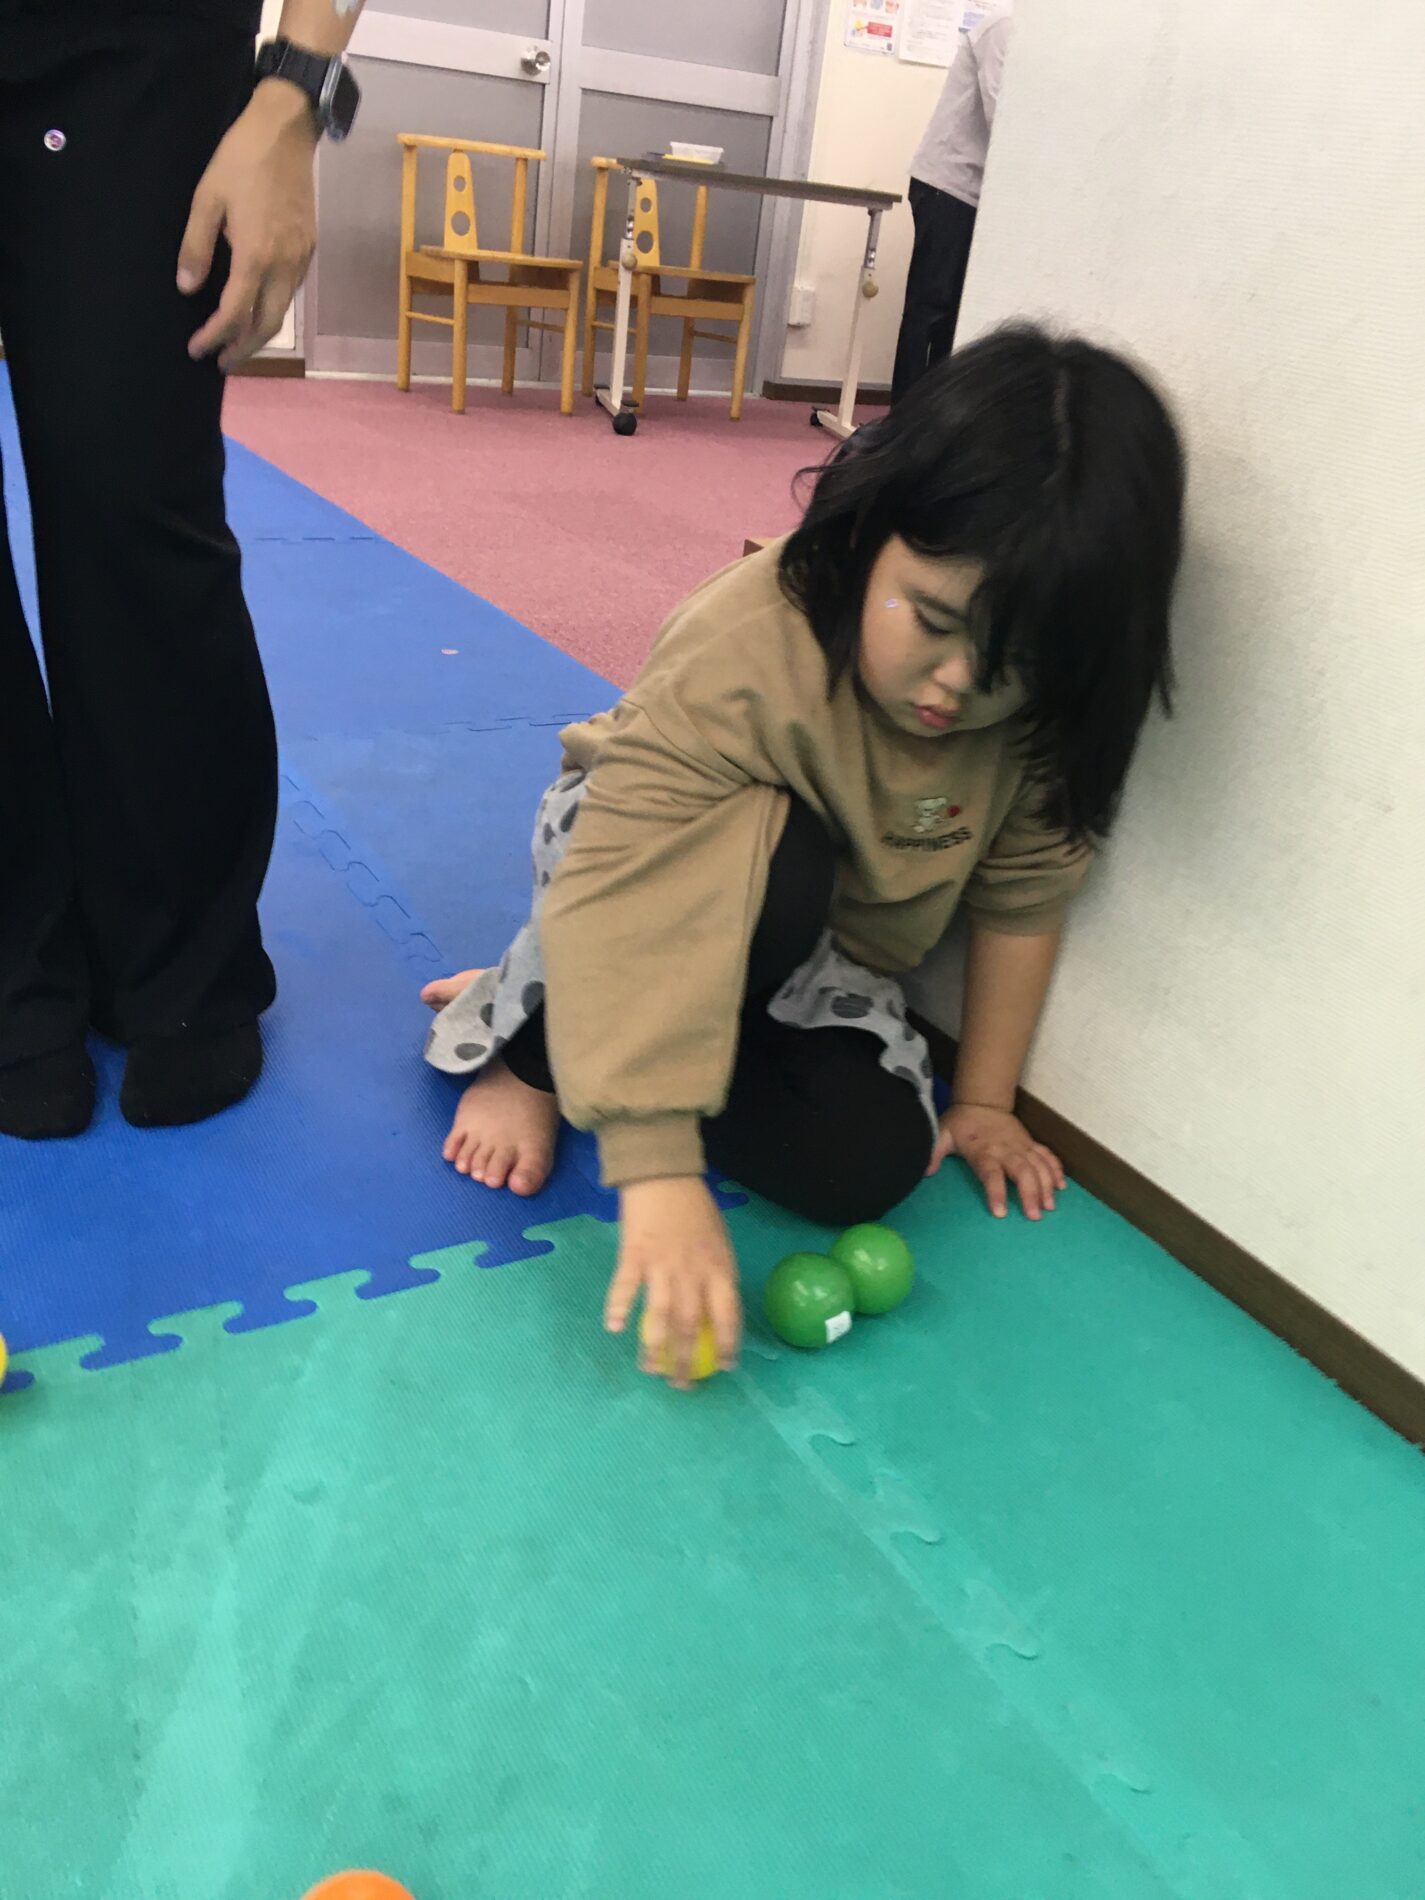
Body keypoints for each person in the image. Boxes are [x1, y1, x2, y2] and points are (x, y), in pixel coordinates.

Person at [422, 327, 1185, 1387]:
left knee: (867, 1165)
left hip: (805, 954)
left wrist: (984, 1102)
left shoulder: (1039, 719)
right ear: (868, 532)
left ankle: (602, 1013)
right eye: (931, 619)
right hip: (633, 858)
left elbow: (1023, 899)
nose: (957, 683)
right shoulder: (752, 638)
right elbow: (630, 862)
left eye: (1013, 660)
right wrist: (657, 1167)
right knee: (773, 865)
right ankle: (541, 1042)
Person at [0, 1, 362, 1141]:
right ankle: (13, 955)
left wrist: (295, 92)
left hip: (135, 45)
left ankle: (180, 954)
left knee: (131, 494)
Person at [891, 0, 1015, 404]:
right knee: (931, 310)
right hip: (948, 184)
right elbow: (1004, 115)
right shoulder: (1005, 25)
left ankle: (939, 423)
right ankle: (906, 422)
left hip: (979, 194)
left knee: (958, 318)